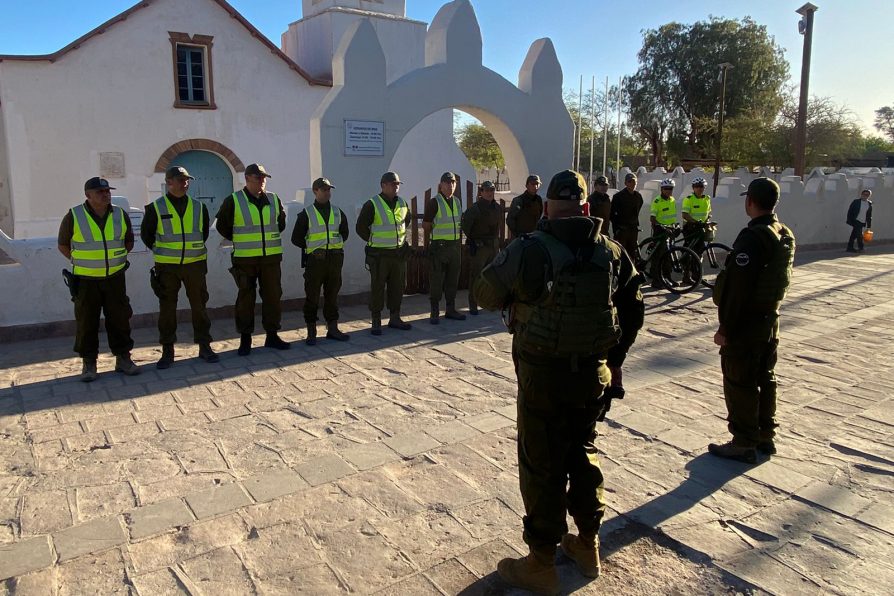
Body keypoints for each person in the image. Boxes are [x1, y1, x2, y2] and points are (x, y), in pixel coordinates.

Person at [475, 170, 644, 593]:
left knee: (541, 463)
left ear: (548, 206)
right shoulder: (611, 251)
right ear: (587, 207)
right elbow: (635, 308)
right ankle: (587, 545)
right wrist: (617, 360)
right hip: (593, 373)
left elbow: (484, 293)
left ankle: (541, 561)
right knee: (583, 452)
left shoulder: (529, 248)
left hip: (542, 376)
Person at [709, 177, 795, 464]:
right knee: (765, 377)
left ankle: (743, 440)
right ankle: (765, 435)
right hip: (770, 319)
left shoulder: (754, 236)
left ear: (751, 201)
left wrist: (725, 328)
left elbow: (738, 288)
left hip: (747, 323)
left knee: (739, 380)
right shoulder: (782, 232)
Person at [57, 177, 140, 381]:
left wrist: (116, 260)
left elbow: (129, 241)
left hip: (115, 277)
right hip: (85, 280)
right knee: (87, 321)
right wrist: (82, 262)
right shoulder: (74, 215)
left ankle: (123, 358)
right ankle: (89, 363)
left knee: (119, 318)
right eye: (100, 192)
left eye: (107, 191)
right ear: (88, 195)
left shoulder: (120, 214)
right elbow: (63, 245)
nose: (105, 194)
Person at [141, 166, 218, 369]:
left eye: (186, 180)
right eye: (180, 180)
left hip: (194, 265)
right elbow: (147, 235)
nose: (184, 184)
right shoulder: (156, 207)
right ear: (168, 183)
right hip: (167, 267)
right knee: (167, 309)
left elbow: (203, 233)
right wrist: (162, 252)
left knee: (199, 306)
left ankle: (204, 345)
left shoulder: (199, 207)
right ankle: (168, 350)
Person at [215, 163, 290, 356]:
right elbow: (223, 226)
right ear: (247, 178)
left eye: (264, 178)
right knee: (245, 299)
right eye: (258, 178)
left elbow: (280, 224)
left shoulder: (273, 199)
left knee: (273, 297)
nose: (262, 181)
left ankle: (272, 335)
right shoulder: (234, 200)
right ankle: (245, 339)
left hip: (271, 259)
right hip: (245, 260)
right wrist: (243, 240)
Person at [290, 177, 351, 345]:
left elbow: (345, 233)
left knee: (332, 295)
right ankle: (311, 331)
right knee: (312, 296)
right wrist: (312, 247)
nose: (327, 192)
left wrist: (335, 245)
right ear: (315, 191)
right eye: (323, 189)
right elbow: (296, 238)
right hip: (315, 261)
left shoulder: (338, 212)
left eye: (329, 189)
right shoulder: (306, 214)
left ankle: (333, 328)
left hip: (335, 259)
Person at [355, 171, 413, 335]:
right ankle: (376, 320)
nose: (396, 187)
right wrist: (374, 241)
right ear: (383, 185)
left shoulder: (402, 203)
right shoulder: (372, 204)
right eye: (393, 184)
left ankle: (395, 317)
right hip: (380, 256)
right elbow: (360, 228)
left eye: (397, 184)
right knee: (378, 287)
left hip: (398, 254)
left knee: (398, 286)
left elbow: (405, 221)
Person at [423, 172, 466, 324]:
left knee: (452, 279)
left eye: (453, 183)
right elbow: (426, 225)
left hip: (454, 246)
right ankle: (434, 311)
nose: (451, 185)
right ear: (441, 185)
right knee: (436, 279)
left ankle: (450, 308)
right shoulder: (434, 202)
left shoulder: (457, 201)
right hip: (439, 247)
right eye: (447, 183)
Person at [461, 180, 502, 315]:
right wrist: (474, 240)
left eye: (492, 190)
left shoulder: (497, 207)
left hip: (493, 246)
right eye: (487, 190)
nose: (490, 193)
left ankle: (490, 301)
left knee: (493, 276)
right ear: (481, 192)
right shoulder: (475, 209)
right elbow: (466, 225)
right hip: (480, 248)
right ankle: (473, 304)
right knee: (476, 276)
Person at [648, 179, 678, 289]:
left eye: (671, 189)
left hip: (670, 231)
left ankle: (668, 277)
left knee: (668, 256)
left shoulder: (672, 200)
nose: (669, 191)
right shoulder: (657, 201)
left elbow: (672, 216)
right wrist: (660, 226)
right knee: (658, 257)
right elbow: (652, 218)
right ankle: (656, 280)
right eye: (666, 189)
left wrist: (675, 226)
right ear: (662, 189)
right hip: (660, 231)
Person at [610, 172, 644, 258]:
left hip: (633, 229)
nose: (632, 184)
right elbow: (612, 214)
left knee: (632, 253)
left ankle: (631, 270)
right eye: (630, 182)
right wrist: (616, 229)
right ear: (625, 183)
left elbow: (638, 209)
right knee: (620, 253)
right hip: (621, 229)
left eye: (634, 182)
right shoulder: (618, 196)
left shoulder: (638, 196)